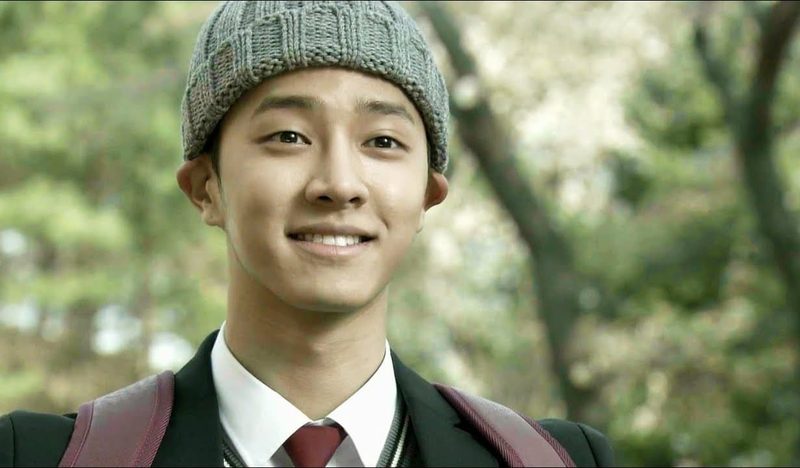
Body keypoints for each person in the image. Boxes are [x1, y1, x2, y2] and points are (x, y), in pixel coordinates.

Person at [0, 2, 614, 466]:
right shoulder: (44, 456)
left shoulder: (550, 459)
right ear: (206, 187)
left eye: (383, 141)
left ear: (428, 196)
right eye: (288, 136)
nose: (339, 184)